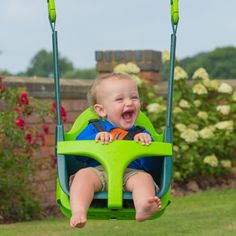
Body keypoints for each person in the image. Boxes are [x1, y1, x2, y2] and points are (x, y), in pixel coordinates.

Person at [70, 73, 161, 228]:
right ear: (101, 110)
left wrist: (146, 145)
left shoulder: (141, 133)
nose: (129, 103)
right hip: (98, 172)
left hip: (131, 173)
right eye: (120, 99)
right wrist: (95, 139)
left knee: (144, 179)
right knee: (82, 176)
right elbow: (77, 153)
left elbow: (153, 166)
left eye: (134, 97)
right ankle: (79, 211)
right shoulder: (94, 128)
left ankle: (143, 208)